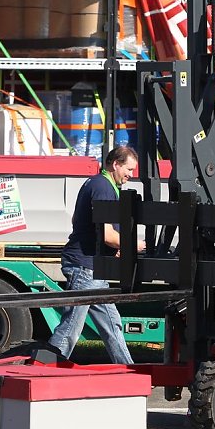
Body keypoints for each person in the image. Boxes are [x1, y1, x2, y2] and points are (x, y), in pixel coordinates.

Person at [48, 146, 140, 364]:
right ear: (115, 164)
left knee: (111, 323)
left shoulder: (95, 183)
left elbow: (77, 220)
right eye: (129, 169)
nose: (131, 175)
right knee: (71, 327)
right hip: (85, 267)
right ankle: (47, 366)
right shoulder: (104, 188)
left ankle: (128, 370)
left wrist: (110, 247)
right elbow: (107, 235)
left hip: (92, 267)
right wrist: (132, 245)